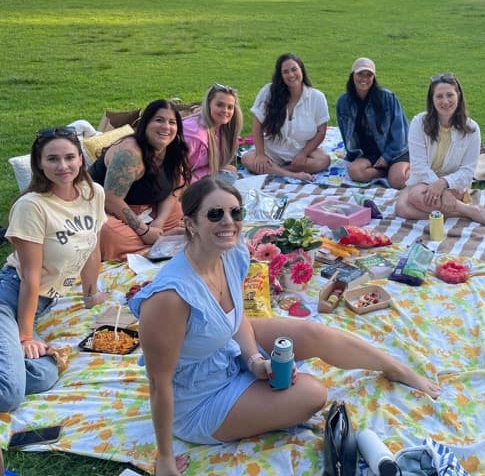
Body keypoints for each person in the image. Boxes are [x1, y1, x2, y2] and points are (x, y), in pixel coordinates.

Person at [129, 178, 441, 476]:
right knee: (312, 394)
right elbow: (159, 382)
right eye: (215, 214)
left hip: (226, 348)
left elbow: (236, 318)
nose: (228, 222)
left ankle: (393, 368)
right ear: (190, 224)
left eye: (235, 212)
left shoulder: (232, 253)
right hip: (199, 400)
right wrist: (165, 458)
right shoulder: (169, 298)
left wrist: (255, 360)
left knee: (313, 332)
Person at [0, 126, 107, 412]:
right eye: (52, 159)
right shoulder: (31, 206)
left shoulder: (93, 193)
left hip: (39, 305)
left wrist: (90, 294)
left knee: (44, 374)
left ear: (81, 159)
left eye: (70, 157)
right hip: (9, 299)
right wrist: (25, 337)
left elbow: (91, 247)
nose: (63, 166)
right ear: (39, 163)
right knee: (9, 395)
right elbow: (30, 276)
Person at [89, 99, 192, 262]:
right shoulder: (129, 153)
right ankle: (155, 242)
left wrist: (159, 222)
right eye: (159, 120)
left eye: (172, 122)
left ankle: (153, 239)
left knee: (177, 210)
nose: (166, 127)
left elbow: (174, 190)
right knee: (107, 231)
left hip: (144, 209)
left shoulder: (174, 149)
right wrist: (144, 231)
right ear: (145, 124)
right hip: (106, 208)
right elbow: (110, 199)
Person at [396, 73, 485, 227]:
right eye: (439, 96)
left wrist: (444, 184)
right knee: (401, 209)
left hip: (453, 184)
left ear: (458, 96)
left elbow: (468, 171)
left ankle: (450, 208)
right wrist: (440, 190)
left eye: (450, 95)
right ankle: (468, 211)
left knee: (415, 197)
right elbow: (418, 166)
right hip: (424, 180)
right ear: (432, 100)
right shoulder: (419, 123)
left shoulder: (471, 128)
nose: (445, 101)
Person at [241, 53, 331, 181]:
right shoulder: (268, 92)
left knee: (324, 160)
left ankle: (274, 170)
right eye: (285, 72)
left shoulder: (317, 97)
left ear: (302, 70)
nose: (291, 75)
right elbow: (257, 125)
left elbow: (321, 132)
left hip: (302, 149)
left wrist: (303, 154)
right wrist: (260, 155)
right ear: (280, 75)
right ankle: (293, 174)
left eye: (294, 69)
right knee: (247, 159)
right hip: (272, 149)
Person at [336, 57, 410, 189]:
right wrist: (352, 155)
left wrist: (386, 157)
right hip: (369, 152)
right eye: (360, 74)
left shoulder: (388, 98)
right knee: (354, 171)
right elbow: (345, 134)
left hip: (395, 151)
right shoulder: (343, 102)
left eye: (369, 75)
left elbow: (401, 132)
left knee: (398, 181)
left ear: (374, 78)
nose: (364, 78)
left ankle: (401, 169)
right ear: (352, 75)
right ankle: (384, 172)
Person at [182, 83, 243, 185]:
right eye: (219, 105)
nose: (225, 111)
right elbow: (175, 172)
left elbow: (213, 165)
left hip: (197, 174)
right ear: (208, 104)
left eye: (230, 107)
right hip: (181, 182)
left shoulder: (222, 129)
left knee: (231, 172)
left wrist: (206, 172)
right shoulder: (194, 137)